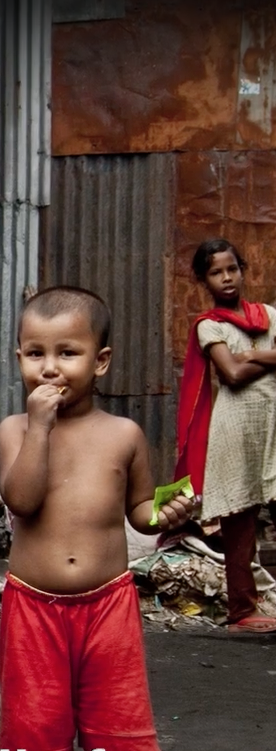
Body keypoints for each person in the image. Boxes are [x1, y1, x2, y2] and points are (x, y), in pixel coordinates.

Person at [0, 286, 193, 751]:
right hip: (32, 608)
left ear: (100, 361)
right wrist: (39, 427)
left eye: (67, 353)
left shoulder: (124, 435)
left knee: (118, 725)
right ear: (18, 355)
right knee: (35, 728)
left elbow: (140, 512)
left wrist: (166, 514)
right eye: (35, 353)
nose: (48, 368)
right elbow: (21, 500)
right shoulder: (14, 430)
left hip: (109, 607)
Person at [175, 238, 276, 634]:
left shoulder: (268, 314)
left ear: (242, 269)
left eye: (232, 268)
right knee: (240, 524)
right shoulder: (209, 326)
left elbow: (238, 364)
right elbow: (230, 375)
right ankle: (242, 612)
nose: (227, 278)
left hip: (272, 423)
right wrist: (264, 358)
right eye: (216, 272)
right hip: (236, 430)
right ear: (205, 280)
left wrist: (250, 355)